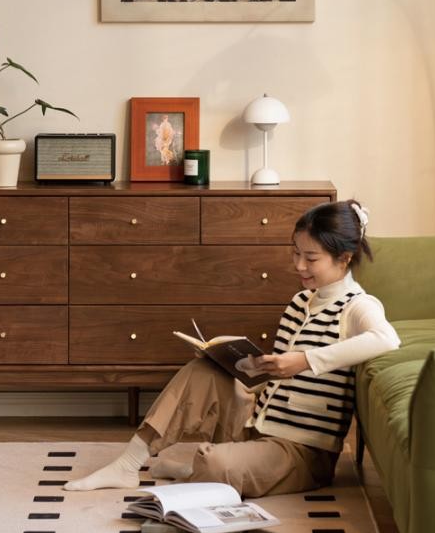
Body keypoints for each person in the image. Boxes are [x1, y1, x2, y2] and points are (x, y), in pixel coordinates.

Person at [64, 199, 400, 498]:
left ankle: (194, 472)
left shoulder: (357, 306)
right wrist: (244, 364)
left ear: (344, 258)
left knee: (216, 463)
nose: (299, 265)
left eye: (310, 258)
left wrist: (304, 361)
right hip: (259, 425)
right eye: (295, 253)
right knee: (202, 372)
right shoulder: (300, 302)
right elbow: (278, 380)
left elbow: (386, 338)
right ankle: (127, 464)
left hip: (303, 451)